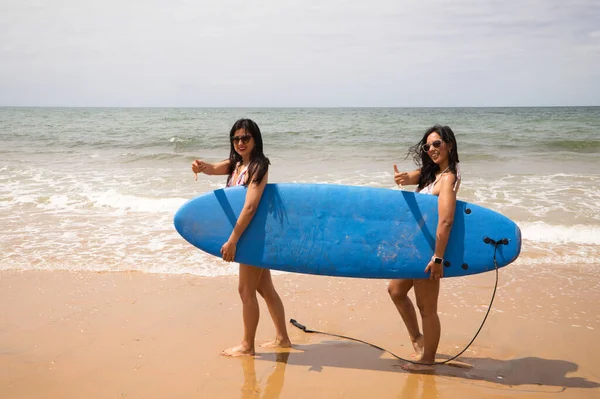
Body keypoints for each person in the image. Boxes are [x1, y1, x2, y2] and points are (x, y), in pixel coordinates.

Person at [191, 118, 291, 357]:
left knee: (245, 290)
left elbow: (250, 207)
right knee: (265, 288)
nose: (240, 142)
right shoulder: (236, 164)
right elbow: (213, 168)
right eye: (236, 138)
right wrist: (199, 166)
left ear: (255, 139)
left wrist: (233, 239)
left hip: (252, 234)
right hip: (249, 233)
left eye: (245, 138)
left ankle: (247, 346)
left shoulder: (258, 166)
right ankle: (283, 339)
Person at [389, 125, 461, 372]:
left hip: (432, 252)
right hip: (417, 248)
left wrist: (438, 258)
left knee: (427, 308)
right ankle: (418, 340)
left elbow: (446, 220)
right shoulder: (433, 174)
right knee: (395, 290)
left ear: (449, 145)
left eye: (437, 144)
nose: (432, 149)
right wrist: (402, 178)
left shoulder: (448, 177)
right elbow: (412, 177)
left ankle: (428, 360)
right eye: (428, 146)